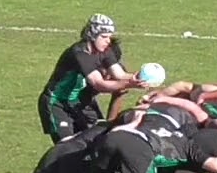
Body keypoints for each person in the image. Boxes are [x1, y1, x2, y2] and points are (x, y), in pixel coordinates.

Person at [38, 14, 142, 143]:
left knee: (98, 139)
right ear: (92, 36)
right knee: (67, 146)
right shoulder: (80, 53)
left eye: (109, 37)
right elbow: (99, 84)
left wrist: (138, 77)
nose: (108, 41)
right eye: (104, 37)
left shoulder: (105, 51)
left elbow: (120, 75)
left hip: (82, 102)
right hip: (58, 103)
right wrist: (130, 84)